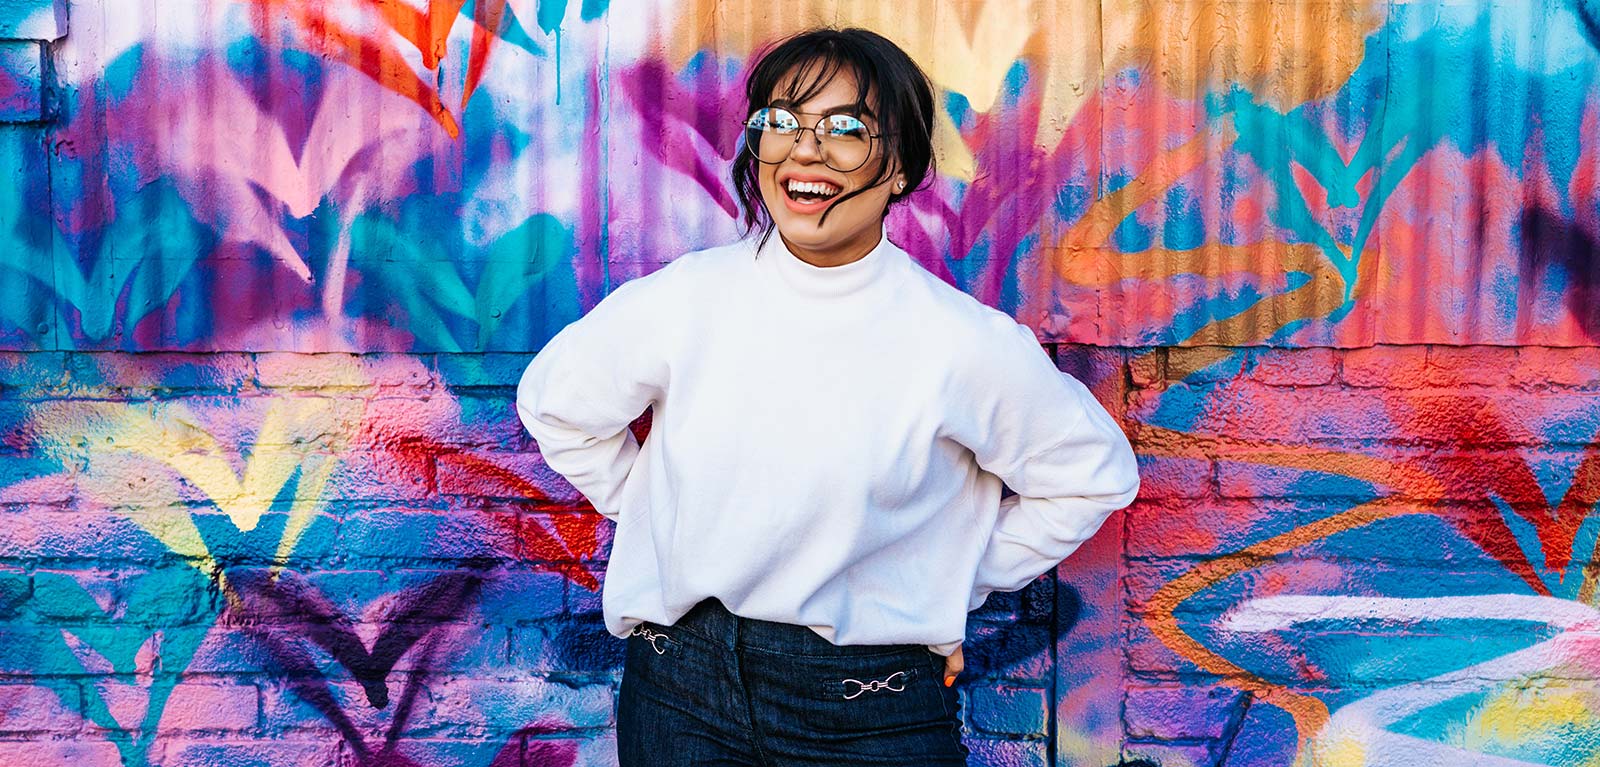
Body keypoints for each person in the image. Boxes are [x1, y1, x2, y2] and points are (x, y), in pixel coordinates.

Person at [516, 27, 1139, 767]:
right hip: (679, 693)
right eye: (782, 121)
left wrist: (948, 578)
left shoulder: (960, 341)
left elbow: (1092, 475)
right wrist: (665, 516)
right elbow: (558, 403)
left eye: (846, 129)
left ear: (902, 168)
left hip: (870, 711)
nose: (805, 150)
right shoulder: (688, 300)